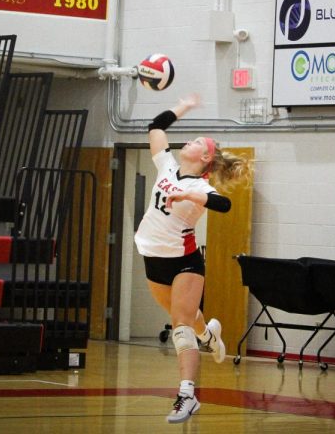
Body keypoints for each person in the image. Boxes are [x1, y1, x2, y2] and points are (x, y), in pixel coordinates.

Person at [135, 93, 253, 424]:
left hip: (185, 261)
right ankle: (210, 335)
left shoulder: (203, 187)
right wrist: (183, 107)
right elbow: (156, 126)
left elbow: (224, 205)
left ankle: (187, 396)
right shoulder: (166, 165)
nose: (190, 139)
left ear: (204, 156)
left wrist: (190, 194)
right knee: (189, 317)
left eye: (198, 140)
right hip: (152, 258)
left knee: (181, 326)